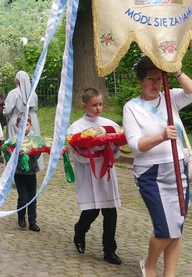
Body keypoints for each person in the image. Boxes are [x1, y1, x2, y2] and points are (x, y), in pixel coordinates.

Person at [122, 57, 192, 277]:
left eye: (159, 78)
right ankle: (149, 264)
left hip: (178, 167)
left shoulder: (170, 97)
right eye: (150, 79)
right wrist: (162, 136)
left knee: (177, 224)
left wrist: (176, 71)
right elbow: (136, 145)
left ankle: (170, 274)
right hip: (150, 174)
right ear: (140, 80)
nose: (155, 84)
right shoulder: (131, 108)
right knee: (165, 227)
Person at [67, 88, 122, 264]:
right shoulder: (76, 127)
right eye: (94, 105)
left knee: (110, 212)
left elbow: (117, 149)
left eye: (100, 104)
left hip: (105, 172)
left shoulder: (109, 124)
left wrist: (110, 145)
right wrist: (91, 150)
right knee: (91, 212)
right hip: (88, 172)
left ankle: (109, 250)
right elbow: (74, 153)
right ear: (84, 105)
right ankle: (80, 230)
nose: (98, 108)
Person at [10, 114, 41, 232]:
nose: (24, 127)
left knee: (32, 198)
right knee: (23, 197)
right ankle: (21, 217)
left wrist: (34, 151)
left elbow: (38, 155)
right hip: (19, 173)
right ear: (17, 125)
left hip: (31, 172)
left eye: (27, 125)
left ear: (31, 125)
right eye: (21, 125)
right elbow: (10, 156)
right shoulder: (14, 140)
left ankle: (32, 221)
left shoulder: (35, 139)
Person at [4, 71, 41, 140]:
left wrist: (10, 116)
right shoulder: (33, 93)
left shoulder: (13, 93)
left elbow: (7, 111)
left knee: (16, 145)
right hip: (32, 121)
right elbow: (35, 109)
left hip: (17, 122)